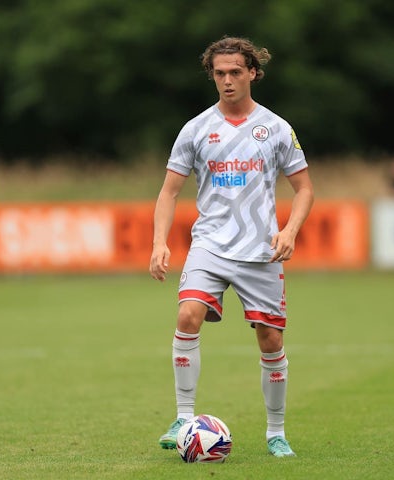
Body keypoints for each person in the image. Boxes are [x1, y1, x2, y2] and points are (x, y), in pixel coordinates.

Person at [149, 36, 314, 458]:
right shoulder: (197, 128)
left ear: (253, 73)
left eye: (235, 72)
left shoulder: (275, 128)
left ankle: (275, 432)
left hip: (261, 251)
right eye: (219, 73)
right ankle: (184, 418)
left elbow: (305, 189)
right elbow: (169, 192)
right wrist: (159, 243)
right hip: (210, 244)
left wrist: (290, 231)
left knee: (270, 342)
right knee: (188, 314)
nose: (227, 80)